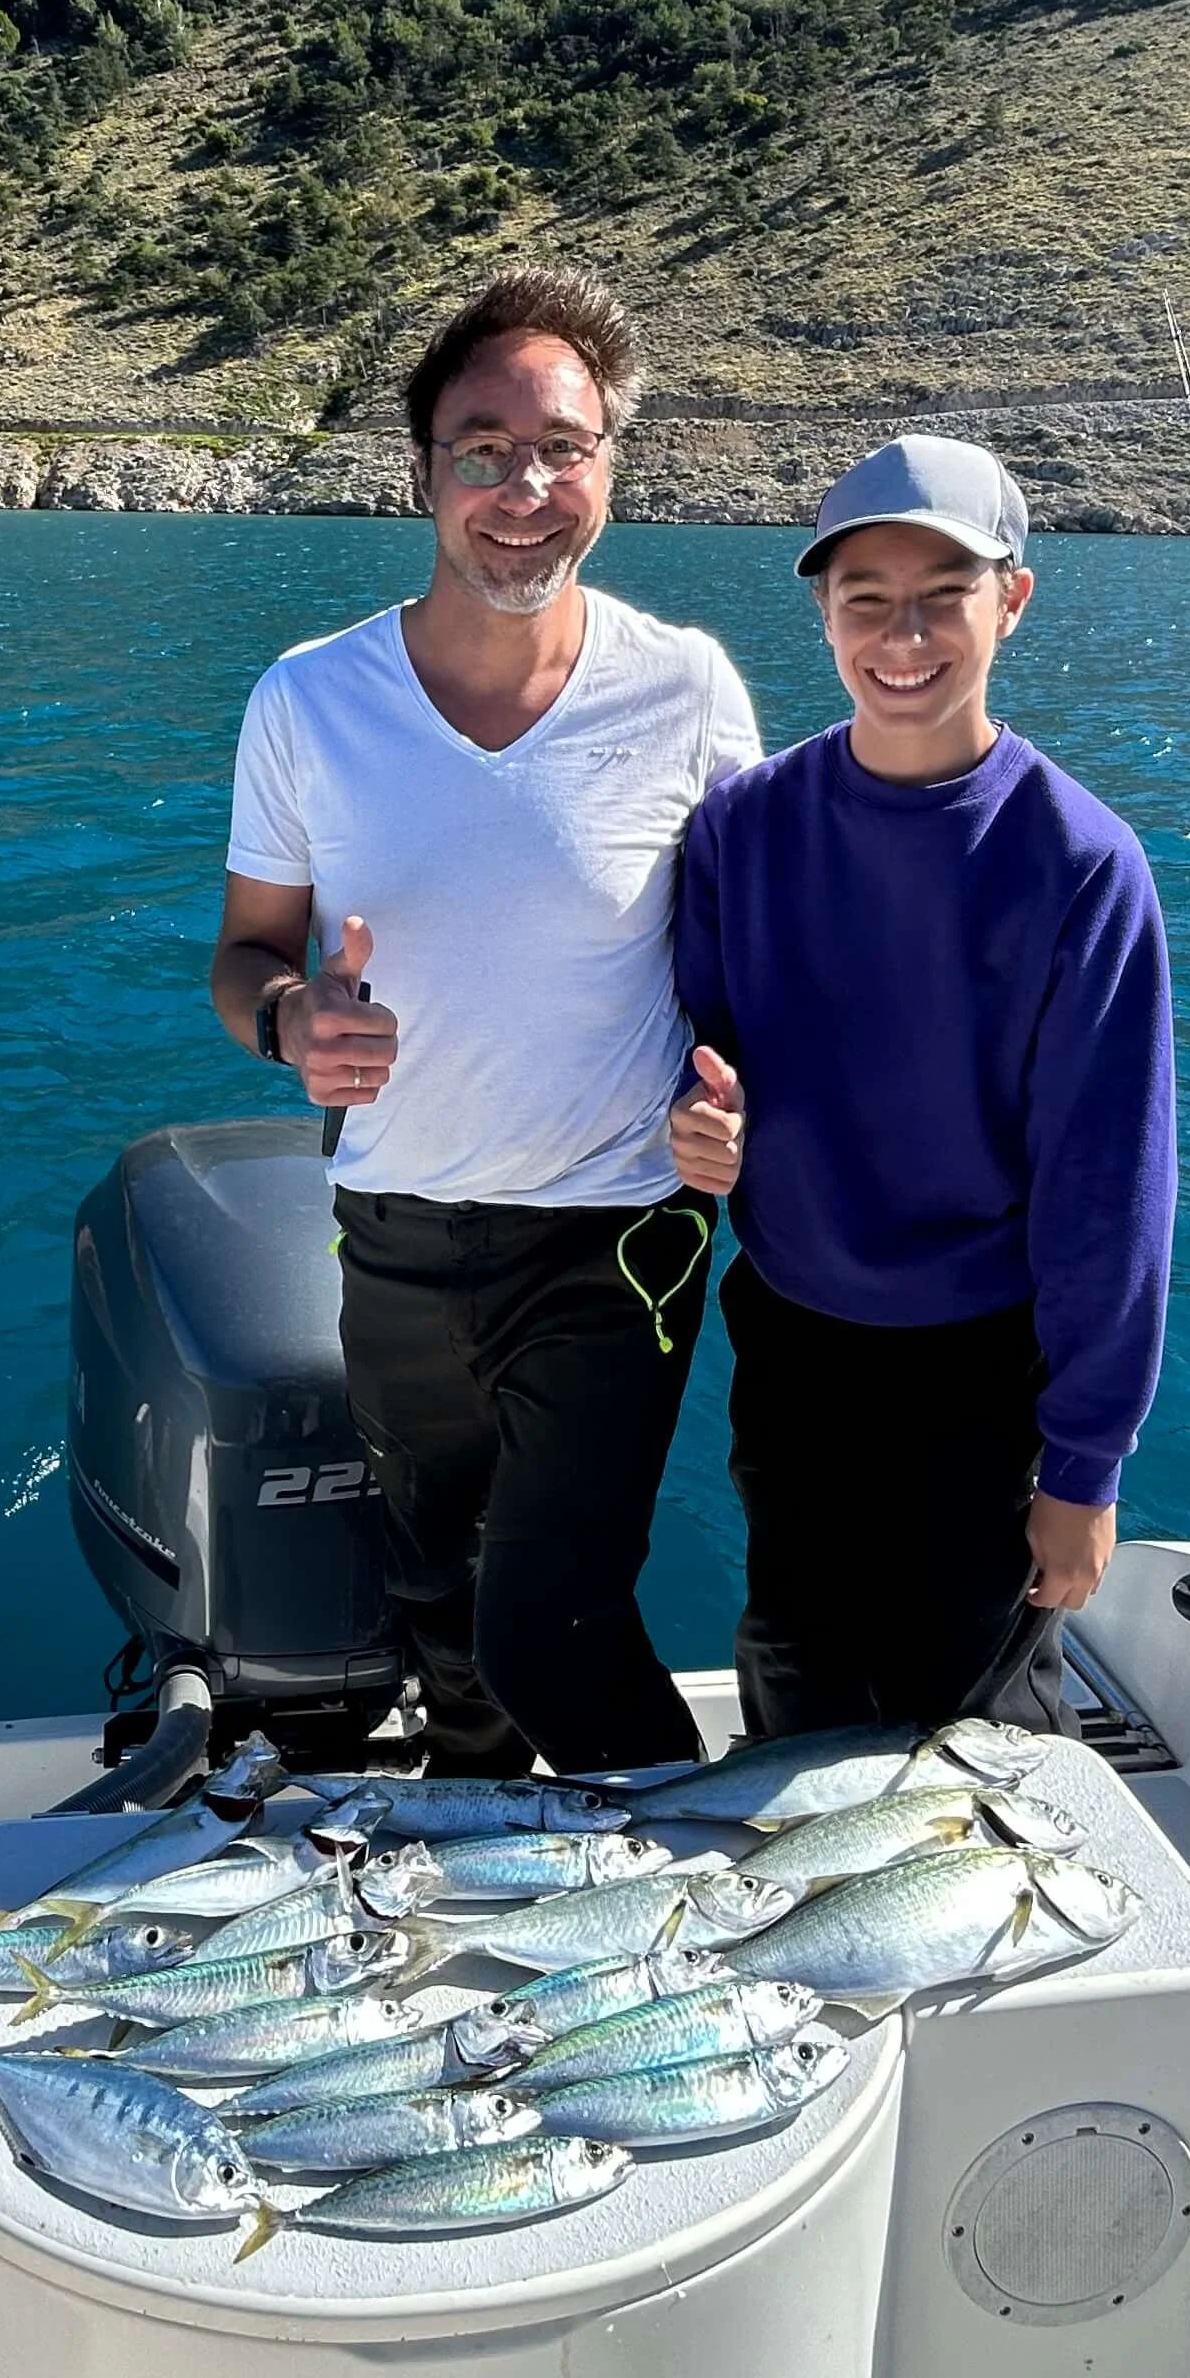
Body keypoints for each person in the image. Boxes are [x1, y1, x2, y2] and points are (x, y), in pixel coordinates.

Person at [208, 265, 762, 1775]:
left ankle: (708, 1878)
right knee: (434, 1596)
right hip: (391, 1223)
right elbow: (247, 952)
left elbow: (761, 969)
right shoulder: (309, 701)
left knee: (553, 1619)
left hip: (616, 1236)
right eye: (485, 450)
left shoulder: (687, 691)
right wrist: (288, 1021)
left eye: (563, 448)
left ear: (611, 469)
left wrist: (738, 1099)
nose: (525, 490)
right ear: (424, 472)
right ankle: (472, 1827)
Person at [665, 434, 1174, 1736]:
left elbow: (1109, 1196)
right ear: (824, 612)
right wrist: (702, 1124)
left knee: (971, 1729)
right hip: (794, 1343)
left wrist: (1083, 1468)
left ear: (1012, 601)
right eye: (867, 598)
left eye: (944, 595)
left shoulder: (1084, 866)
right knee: (795, 1672)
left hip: (985, 1370)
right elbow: (702, 1053)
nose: (902, 636)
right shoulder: (741, 827)